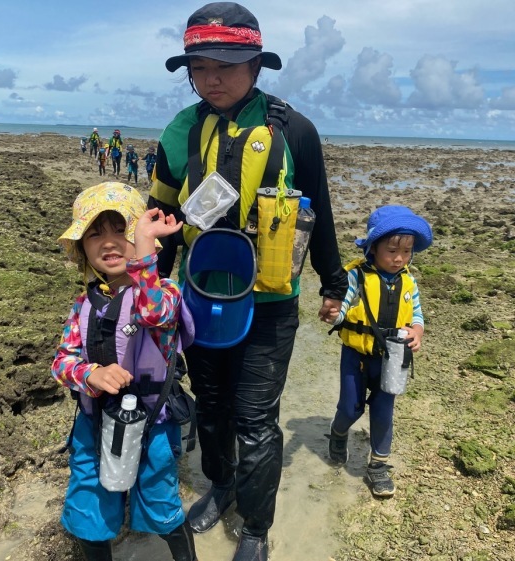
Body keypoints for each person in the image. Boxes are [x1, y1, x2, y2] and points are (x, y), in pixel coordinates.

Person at [147, 3, 347, 560]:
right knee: (210, 406)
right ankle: (222, 483)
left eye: (228, 65)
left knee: (256, 418)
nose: (213, 77)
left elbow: (321, 215)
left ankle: (256, 527)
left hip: (271, 301)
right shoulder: (178, 130)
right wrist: (150, 288)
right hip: (200, 296)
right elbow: (159, 219)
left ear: (257, 65)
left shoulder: (295, 131)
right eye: (201, 65)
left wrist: (334, 284)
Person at [51, 181, 197, 561]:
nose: (109, 242)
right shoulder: (83, 305)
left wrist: (146, 250)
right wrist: (90, 374)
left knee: (161, 502)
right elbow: (61, 362)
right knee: (89, 508)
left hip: (152, 423)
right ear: (82, 248)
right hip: (93, 422)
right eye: (95, 234)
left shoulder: (163, 291)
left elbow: (156, 314)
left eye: (122, 230)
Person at [323, 205, 433, 498]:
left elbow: (417, 314)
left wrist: (417, 332)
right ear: (373, 248)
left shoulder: (409, 280)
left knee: (384, 412)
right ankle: (338, 432)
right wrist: (333, 313)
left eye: (407, 252)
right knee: (350, 408)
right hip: (356, 356)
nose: (399, 258)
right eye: (392, 250)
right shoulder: (356, 276)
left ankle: (378, 466)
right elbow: (343, 305)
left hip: (393, 358)